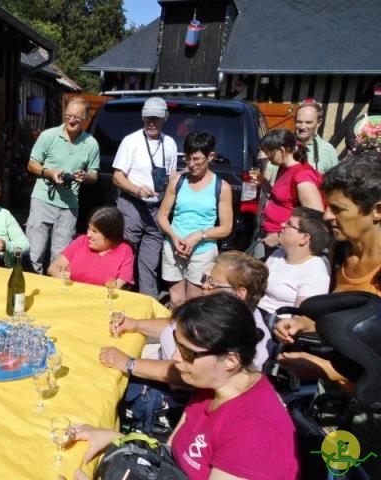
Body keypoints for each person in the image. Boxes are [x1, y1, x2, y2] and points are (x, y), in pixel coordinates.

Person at [72, 294, 299, 480]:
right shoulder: (211, 383)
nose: (175, 358)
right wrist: (116, 439)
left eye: (187, 352)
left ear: (230, 361)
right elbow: (170, 458)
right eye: (177, 345)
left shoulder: (253, 436)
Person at [275, 152, 381, 383]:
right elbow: (340, 319)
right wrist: (302, 323)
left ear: (377, 210)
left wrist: (325, 369)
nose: (327, 215)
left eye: (338, 209)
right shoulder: (339, 253)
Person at [103, 251, 272, 380]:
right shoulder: (218, 313)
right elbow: (177, 325)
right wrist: (134, 324)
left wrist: (128, 363)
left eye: (212, 282)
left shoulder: (245, 340)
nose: (204, 285)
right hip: (155, 359)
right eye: (206, 278)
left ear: (240, 293)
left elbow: (188, 375)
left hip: (166, 388)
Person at [156, 132, 233, 307]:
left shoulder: (222, 187)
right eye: (187, 159)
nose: (191, 164)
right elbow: (162, 215)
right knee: (176, 300)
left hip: (202, 251)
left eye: (197, 159)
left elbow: (226, 228)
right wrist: (174, 237)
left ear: (210, 156)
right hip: (174, 247)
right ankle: (172, 333)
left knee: (194, 301)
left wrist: (199, 235)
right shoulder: (178, 181)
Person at [25, 97, 99, 274]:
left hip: (69, 205)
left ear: (85, 119)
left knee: (60, 259)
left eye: (77, 118)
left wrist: (85, 176)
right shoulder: (48, 136)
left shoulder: (91, 143)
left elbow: (94, 176)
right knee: (34, 253)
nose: (71, 120)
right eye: (68, 116)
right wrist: (50, 173)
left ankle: (53, 296)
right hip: (42, 199)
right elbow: (31, 164)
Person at [112, 97, 178, 297]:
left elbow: (172, 176)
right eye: (148, 118)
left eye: (156, 118)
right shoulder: (131, 141)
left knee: (150, 262)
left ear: (164, 118)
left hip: (157, 209)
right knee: (124, 254)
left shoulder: (170, 143)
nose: (151, 122)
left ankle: (146, 301)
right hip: (131, 205)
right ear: (142, 118)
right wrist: (136, 189)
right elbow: (117, 177)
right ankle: (119, 296)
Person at [258, 128, 324, 259]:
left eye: (269, 152)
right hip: (272, 235)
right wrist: (264, 183)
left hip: (285, 243)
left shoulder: (303, 177)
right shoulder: (284, 168)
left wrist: (278, 237)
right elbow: (281, 199)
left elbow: (314, 217)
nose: (267, 155)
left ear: (281, 150)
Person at [258, 207, 332, 319]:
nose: (283, 225)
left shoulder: (315, 272)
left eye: (289, 224)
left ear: (304, 238)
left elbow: (300, 317)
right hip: (256, 314)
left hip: (276, 325)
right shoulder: (278, 254)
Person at [48, 206, 134, 288]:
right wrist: (67, 283)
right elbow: (53, 268)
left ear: (110, 234)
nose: (89, 234)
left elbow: (118, 285)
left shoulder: (125, 250)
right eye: (89, 228)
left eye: (95, 231)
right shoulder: (82, 241)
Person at [264, 100, 339, 184]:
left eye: (308, 122)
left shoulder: (328, 150)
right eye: (299, 122)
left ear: (319, 123)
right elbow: (266, 177)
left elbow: (334, 184)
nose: (303, 127)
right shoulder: (280, 143)